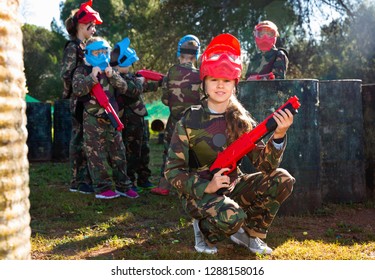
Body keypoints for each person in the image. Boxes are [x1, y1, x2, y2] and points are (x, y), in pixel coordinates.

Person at [164, 33, 296, 255]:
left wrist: (279, 135)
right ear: (204, 83)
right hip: (200, 194)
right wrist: (207, 186)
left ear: (234, 85)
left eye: (226, 81)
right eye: (214, 79)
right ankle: (204, 229)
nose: (220, 86)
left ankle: (252, 234)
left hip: (233, 187)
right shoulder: (190, 120)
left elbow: (265, 166)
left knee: (282, 178)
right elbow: (172, 171)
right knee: (233, 217)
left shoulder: (240, 120)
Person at [72, 36, 139, 199]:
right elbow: (78, 90)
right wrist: (92, 77)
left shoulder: (111, 70)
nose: (102, 55)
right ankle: (102, 188)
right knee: (96, 156)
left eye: (104, 52)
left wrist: (112, 75)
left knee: (119, 153)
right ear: (89, 53)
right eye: (97, 52)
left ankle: (124, 185)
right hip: (92, 118)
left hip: (112, 117)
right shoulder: (82, 70)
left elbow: (124, 88)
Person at [151, 34, 203, 196]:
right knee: (194, 154)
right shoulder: (201, 76)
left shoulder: (171, 72)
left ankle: (163, 186)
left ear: (179, 54)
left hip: (175, 121)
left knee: (169, 152)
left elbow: (165, 99)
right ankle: (193, 188)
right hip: (194, 121)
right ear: (196, 56)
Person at [60, 0, 102, 194]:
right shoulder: (73, 47)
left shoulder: (85, 46)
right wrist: (74, 93)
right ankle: (78, 180)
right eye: (91, 26)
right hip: (79, 98)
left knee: (86, 137)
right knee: (79, 138)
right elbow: (66, 74)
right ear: (82, 26)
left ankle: (85, 178)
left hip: (87, 97)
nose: (94, 30)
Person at [110, 37, 160, 193]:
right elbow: (134, 89)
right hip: (127, 121)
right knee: (130, 152)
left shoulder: (130, 77)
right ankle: (129, 181)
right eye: (130, 63)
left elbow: (143, 86)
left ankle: (144, 178)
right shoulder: (116, 79)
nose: (132, 66)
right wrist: (140, 81)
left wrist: (161, 83)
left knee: (143, 150)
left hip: (138, 120)